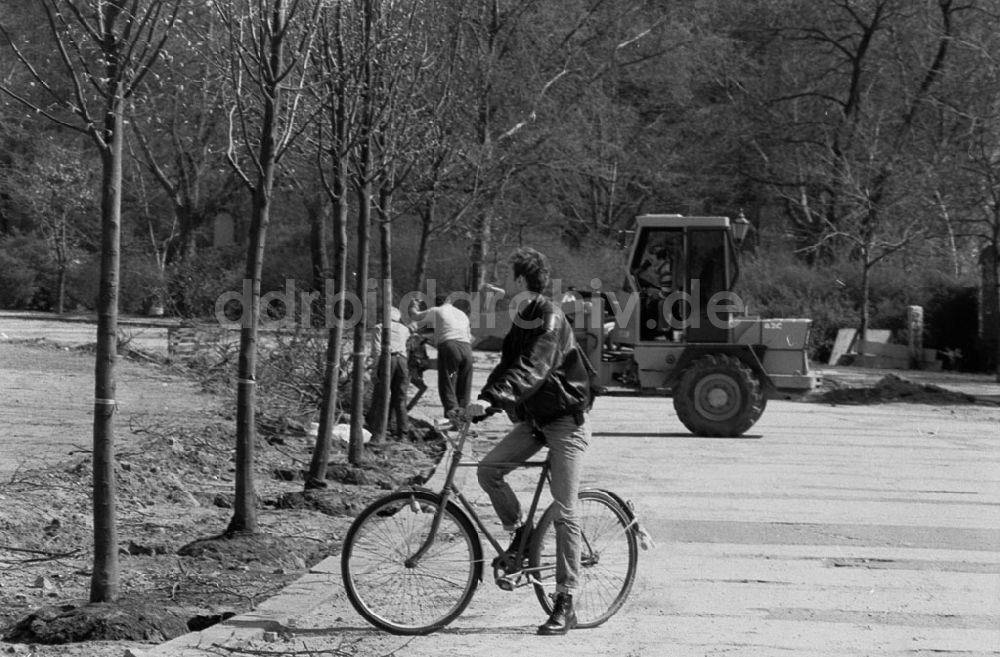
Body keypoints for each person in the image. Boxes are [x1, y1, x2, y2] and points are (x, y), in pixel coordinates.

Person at [464, 247, 595, 636]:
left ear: (520, 280)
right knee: (489, 471)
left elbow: (534, 367)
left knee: (565, 511)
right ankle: (521, 534)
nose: (502, 282)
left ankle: (566, 600)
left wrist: (493, 399)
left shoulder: (549, 317)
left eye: (507, 275)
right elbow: (506, 367)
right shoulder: (523, 318)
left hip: (565, 424)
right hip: (536, 420)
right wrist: (480, 404)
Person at [408, 294, 473, 425]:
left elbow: (415, 316)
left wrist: (412, 305)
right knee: (463, 384)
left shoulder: (436, 310)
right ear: (449, 301)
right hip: (467, 351)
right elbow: (466, 336)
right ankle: (463, 420)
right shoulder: (462, 314)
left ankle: (453, 420)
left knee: (448, 382)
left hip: (450, 348)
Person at [367, 306, 411, 438]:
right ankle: (402, 431)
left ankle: (375, 427)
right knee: (400, 397)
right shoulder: (405, 329)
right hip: (402, 361)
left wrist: (374, 370)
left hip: (387, 359)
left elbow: (376, 351)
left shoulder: (379, 328)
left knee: (381, 393)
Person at [635, 244, 673, 340]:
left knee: (650, 309)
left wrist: (652, 292)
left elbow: (665, 294)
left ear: (659, 258)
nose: (650, 263)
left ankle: (652, 336)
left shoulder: (666, 272)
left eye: (652, 260)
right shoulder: (665, 269)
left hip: (669, 303)